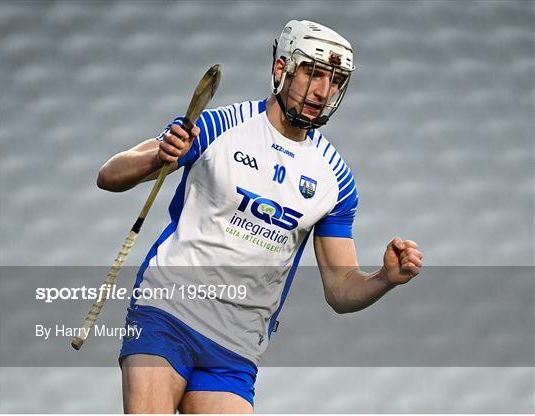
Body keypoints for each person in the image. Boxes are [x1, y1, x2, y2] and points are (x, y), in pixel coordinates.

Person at [97, 20, 423, 414]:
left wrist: (385, 278)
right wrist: (157, 155)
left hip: (235, 348)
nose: (323, 91)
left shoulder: (335, 179)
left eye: (335, 80)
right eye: (313, 73)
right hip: (167, 313)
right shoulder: (218, 126)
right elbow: (109, 175)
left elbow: (340, 290)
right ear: (281, 68)